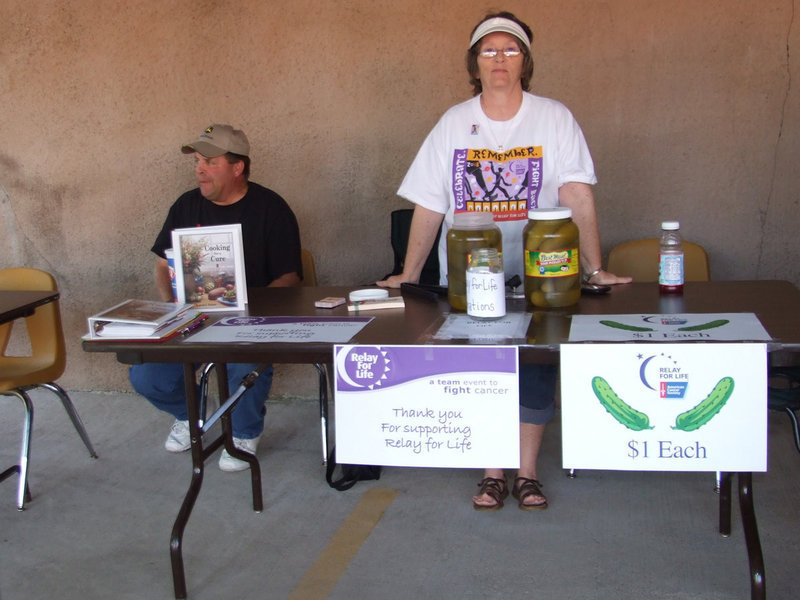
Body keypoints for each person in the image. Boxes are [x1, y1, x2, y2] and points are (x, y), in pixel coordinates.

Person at [378, 12, 631, 509]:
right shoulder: (453, 122)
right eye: (488, 50)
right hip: (471, 277)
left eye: (510, 49)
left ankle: (528, 471)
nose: (499, 59)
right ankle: (493, 470)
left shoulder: (554, 117)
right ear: (474, 62)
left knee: (536, 365)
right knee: (483, 364)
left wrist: (594, 269)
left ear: (525, 60)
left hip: (543, 273)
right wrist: (409, 274)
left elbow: (577, 193)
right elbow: (430, 202)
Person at [130, 124, 302, 472]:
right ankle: (188, 414)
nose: (199, 169)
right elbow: (163, 265)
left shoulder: (272, 209)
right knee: (146, 376)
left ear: (237, 167)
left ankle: (243, 431)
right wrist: (172, 307)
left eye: (209, 161)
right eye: (197, 161)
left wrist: (248, 307)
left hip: (250, 321)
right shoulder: (185, 206)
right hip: (190, 319)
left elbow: (290, 278)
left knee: (242, 363)